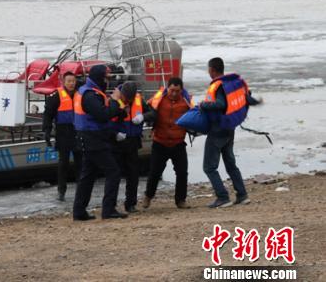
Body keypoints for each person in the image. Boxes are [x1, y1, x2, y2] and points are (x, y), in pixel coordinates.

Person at [199, 57, 261, 208]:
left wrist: (204, 105)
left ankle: (223, 197)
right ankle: (242, 195)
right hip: (230, 129)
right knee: (230, 164)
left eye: (209, 69)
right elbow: (246, 99)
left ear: (212, 70)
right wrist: (257, 101)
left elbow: (221, 104)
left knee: (209, 167)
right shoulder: (232, 83)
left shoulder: (219, 86)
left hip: (218, 130)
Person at [72, 65, 127, 220]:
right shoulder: (90, 95)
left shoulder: (86, 91)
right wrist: (115, 100)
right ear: (98, 78)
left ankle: (79, 211)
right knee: (113, 172)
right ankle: (108, 210)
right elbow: (103, 115)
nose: (107, 81)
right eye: (105, 78)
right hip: (93, 139)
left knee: (88, 175)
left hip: (88, 137)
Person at [143, 77, 194, 209]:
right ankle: (148, 196)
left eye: (177, 91)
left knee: (182, 173)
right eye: (172, 90)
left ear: (181, 90)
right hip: (160, 142)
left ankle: (180, 200)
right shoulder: (158, 99)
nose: (174, 93)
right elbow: (147, 109)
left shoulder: (187, 102)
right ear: (167, 88)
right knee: (154, 172)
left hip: (178, 143)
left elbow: (195, 116)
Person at [42, 72, 83, 201]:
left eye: (73, 81)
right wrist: (47, 131)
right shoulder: (56, 96)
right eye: (69, 81)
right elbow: (48, 114)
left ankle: (81, 189)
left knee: (80, 163)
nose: (71, 83)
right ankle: (61, 191)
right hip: (63, 132)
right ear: (63, 82)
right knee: (63, 163)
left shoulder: (80, 94)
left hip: (78, 131)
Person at [111, 81, 148, 213]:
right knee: (115, 174)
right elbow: (105, 121)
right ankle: (111, 205)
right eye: (127, 98)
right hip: (118, 142)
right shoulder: (114, 100)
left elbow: (152, 113)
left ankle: (130, 204)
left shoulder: (139, 100)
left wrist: (143, 116)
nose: (128, 100)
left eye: (131, 99)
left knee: (133, 174)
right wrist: (115, 134)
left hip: (133, 141)